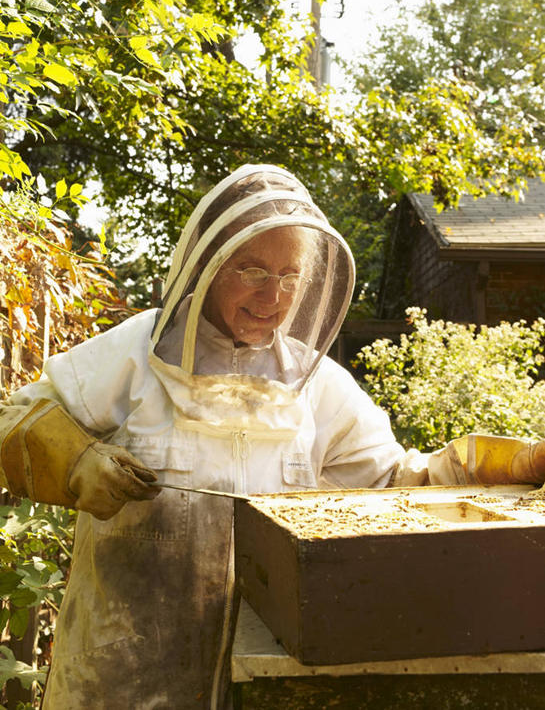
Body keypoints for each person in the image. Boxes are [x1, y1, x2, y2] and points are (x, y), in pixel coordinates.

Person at [1, 164, 544, 710]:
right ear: (208, 267)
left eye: (290, 277)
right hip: (126, 679)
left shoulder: (319, 385)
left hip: (263, 683)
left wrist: (513, 465)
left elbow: (399, 485)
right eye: (253, 271)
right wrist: (76, 460)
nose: (272, 297)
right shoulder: (133, 355)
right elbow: (15, 420)